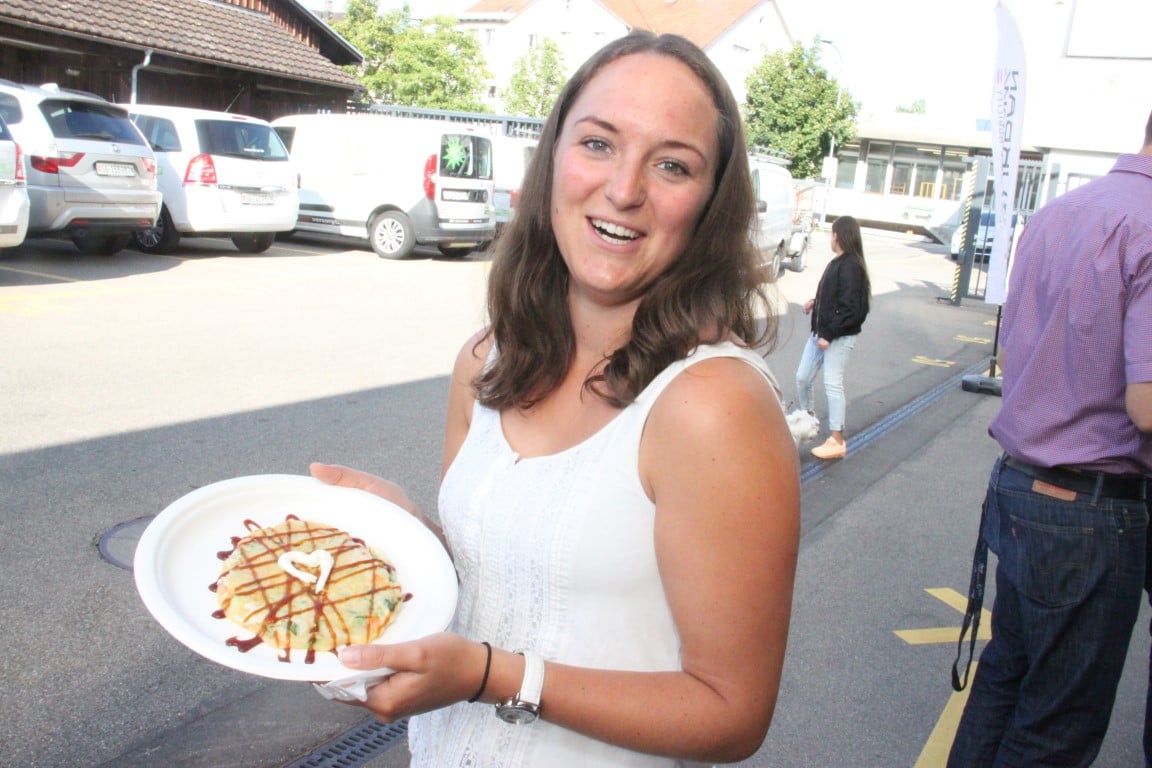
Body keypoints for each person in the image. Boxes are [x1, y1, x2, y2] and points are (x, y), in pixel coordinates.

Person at [309, 30, 801, 767]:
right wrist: (409, 535)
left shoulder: (712, 405)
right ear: (551, 161)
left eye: (672, 164)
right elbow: (503, 587)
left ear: (710, 206)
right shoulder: (486, 361)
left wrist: (492, 677)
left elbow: (731, 714)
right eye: (598, 144)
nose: (624, 189)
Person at [947, 108, 1152, 767]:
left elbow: (1017, 353)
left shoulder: (1059, 212)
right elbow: (1147, 405)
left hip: (1021, 484)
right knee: (1056, 724)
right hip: (1090, 509)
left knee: (1005, 679)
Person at [793, 215, 871, 460]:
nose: (831, 238)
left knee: (832, 383)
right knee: (802, 377)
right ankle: (809, 418)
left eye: (832, 233)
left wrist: (829, 334)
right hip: (822, 333)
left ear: (838, 235)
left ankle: (837, 439)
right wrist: (814, 303)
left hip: (837, 336)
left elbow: (852, 309)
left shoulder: (851, 266)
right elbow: (833, 297)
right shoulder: (839, 262)